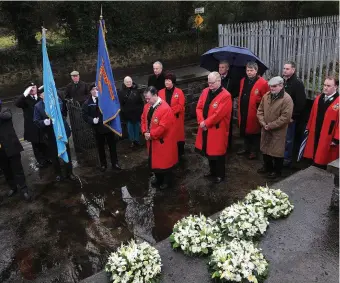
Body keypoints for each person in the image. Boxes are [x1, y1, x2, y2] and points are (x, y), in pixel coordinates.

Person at [195, 71, 232, 184]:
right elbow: (199, 107)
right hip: (205, 127)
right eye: (208, 82)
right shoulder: (205, 91)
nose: (209, 85)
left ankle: (220, 174)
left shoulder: (226, 96)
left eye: (212, 83)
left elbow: (218, 115)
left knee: (218, 153)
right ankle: (212, 171)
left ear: (219, 81)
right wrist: (201, 121)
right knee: (208, 151)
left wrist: (206, 123)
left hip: (217, 129)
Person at [33, 87, 76, 182]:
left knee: (66, 152)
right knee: (54, 155)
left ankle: (70, 172)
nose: (47, 95)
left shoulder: (56, 101)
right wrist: (45, 122)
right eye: (44, 93)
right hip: (50, 134)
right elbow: (36, 121)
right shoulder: (38, 106)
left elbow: (62, 107)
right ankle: (58, 174)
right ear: (40, 95)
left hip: (61, 131)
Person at [141, 86, 178, 189]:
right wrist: (144, 131)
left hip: (162, 141)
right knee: (155, 161)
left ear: (155, 95)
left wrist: (151, 134)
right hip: (152, 140)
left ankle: (167, 182)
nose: (147, 101)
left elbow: (163, 127)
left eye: (148, 98)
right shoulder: (148, 106)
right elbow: (143, 119)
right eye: (146, 98)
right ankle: (158, 179)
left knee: (165, 163)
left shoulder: (165, 108)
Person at [257, 76, 293, 179]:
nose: (271, 88)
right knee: (265, 149)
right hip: (265, 127)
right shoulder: (266, 96)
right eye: (270, 86)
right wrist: (263, 123)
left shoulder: (287, 99)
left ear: (281, 86)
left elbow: (285, 117)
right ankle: (268, 167)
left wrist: (271, 125)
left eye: (274, 86)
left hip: (278, 131)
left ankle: (277, 172)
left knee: (277, 152)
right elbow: (260, 110)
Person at [83, 83, 122, 172]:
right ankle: (103, 164)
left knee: (112, 146)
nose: (94, 91)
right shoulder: (87, 103)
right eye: (93, 89)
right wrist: (92, 120)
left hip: (108, 126)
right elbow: (84, 115)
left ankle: (115, 163)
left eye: (96, 89)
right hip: (98, 128)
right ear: (90, 91)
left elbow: (111, 109)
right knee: (100, 147)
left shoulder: (104, 100)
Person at [303, 76, 339, 169]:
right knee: (313, 151)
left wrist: (336, 138)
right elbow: (312, 114)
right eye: (324, 85)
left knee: (324, 156)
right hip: (316, 130)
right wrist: (308, 127)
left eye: (329, 86)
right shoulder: (319, 98)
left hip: (328, 134)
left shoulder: (338, 102)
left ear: (336, 87)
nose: (325, 87)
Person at [0, 99, 31, 201]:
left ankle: (24, 189)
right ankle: (13, 188)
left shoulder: (5, 110)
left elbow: (7, 116)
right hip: (1, 150)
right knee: (6, 171)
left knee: (18, 169)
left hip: (12, 146)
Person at [237, 62, 269, 159]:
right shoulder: (243, 80)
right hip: (243, 109)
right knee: (244, 129)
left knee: (254, 132)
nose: (249, 72)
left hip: (254, 111)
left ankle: (254, 151)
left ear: (256, 71)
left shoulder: (263, 83)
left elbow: (266, 98)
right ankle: (246, 148)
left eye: (251, 70)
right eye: (247, 70)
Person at [15, 82, 49, 168]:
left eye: (34, 87)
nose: (33, 89)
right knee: (36, 145)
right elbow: (17, 103)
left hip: (42, 124)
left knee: (45, 142)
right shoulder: (25, 100)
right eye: (30, 88)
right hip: (32, 126)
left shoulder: (41, 97)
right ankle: (41, 161)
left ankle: (48, 158)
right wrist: (24, 94)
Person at [282, 61, 306, 167]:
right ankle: (281, 156)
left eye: (287, 69)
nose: (285, 70)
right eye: (284, 68)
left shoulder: (297, 83)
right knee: (282, 137)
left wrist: (293, 117)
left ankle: (287, 159)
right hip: (281, 115)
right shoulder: (283, 81)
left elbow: (301, 103)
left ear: (293, 70)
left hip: (291, 117)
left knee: (289, 139)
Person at [158, 72, 186, 158]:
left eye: (169, 80)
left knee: (178, 136)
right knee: (168, 136)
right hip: (165, 119)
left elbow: (181, 106)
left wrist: (169, 111)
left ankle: (180, 154)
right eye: (166, 80)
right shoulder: (160, 92)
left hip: (176, 119)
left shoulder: (179, 92)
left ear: (173, 82)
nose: (166, 82)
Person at [219, 60, 240, 152]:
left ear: (227, 68)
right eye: (219, 67)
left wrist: (229, 96)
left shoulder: (231, 79)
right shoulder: (217, 78)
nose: (220, 69)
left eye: (222, 67)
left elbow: (236, 91)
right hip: (217, 105)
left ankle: (228, 145)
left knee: (228, 124)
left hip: (227, 105)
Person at [118, 76, 144, 148]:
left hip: (137, 113)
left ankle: (137, 140)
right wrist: (124, 113)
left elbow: (140, 102)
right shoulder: (121, 92)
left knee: (137, 127)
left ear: (132, 81)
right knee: (130, 128)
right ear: (124, 82)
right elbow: (120, 104)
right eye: (127, 82)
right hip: (128, 114)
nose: (129, 83)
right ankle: (132, 141)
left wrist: (140, 111)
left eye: (130, 82)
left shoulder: (136, 89)